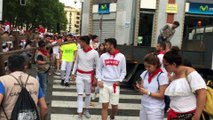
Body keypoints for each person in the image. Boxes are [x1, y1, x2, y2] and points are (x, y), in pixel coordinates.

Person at [163, 47, 207, 120]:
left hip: (189, 115)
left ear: (173, 64)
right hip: (174, 114)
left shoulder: (190, 73)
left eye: (165, 65)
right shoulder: (172, 75)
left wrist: (197, 116)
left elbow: (202, 93)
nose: (164, 67)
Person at [0, 55, 48, 120]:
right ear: (25, 66)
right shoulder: (35, 81)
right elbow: (44, 107)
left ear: (8, 67)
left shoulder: (3, 81)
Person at [97, 38, 126, 120]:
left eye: (106, 45)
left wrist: (119, 80)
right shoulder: (103, 56)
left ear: (112, 45)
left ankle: (112, 116)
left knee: (114, 106)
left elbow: (123, 71)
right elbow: (98, 69)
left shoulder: (121, 57)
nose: (105, 47)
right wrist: (99, 80)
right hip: (104, 84)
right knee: (104, 106)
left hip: (114, 85)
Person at [71, 36, 99, 120]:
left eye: (80, 42)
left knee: (87, 94)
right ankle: (80, 113)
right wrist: (73, 73)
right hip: (79, 75)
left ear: (85, 42)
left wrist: (96, 78)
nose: (79, 43)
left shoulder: (94, 53)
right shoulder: (79, 51)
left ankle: (86, 109)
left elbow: (98, 66)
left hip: (89, 76)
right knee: (80, 94)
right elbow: (76, 62)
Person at [136, 53, 168, 120]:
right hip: (144, 105)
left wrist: (148, 93)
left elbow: (161, 96)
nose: (147, 68)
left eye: (149, 66)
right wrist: (139, 88)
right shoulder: (145, 73)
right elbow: (142, 90)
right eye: (145, 66)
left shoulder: (162, 76)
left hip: (155, 108)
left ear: (156, 65)